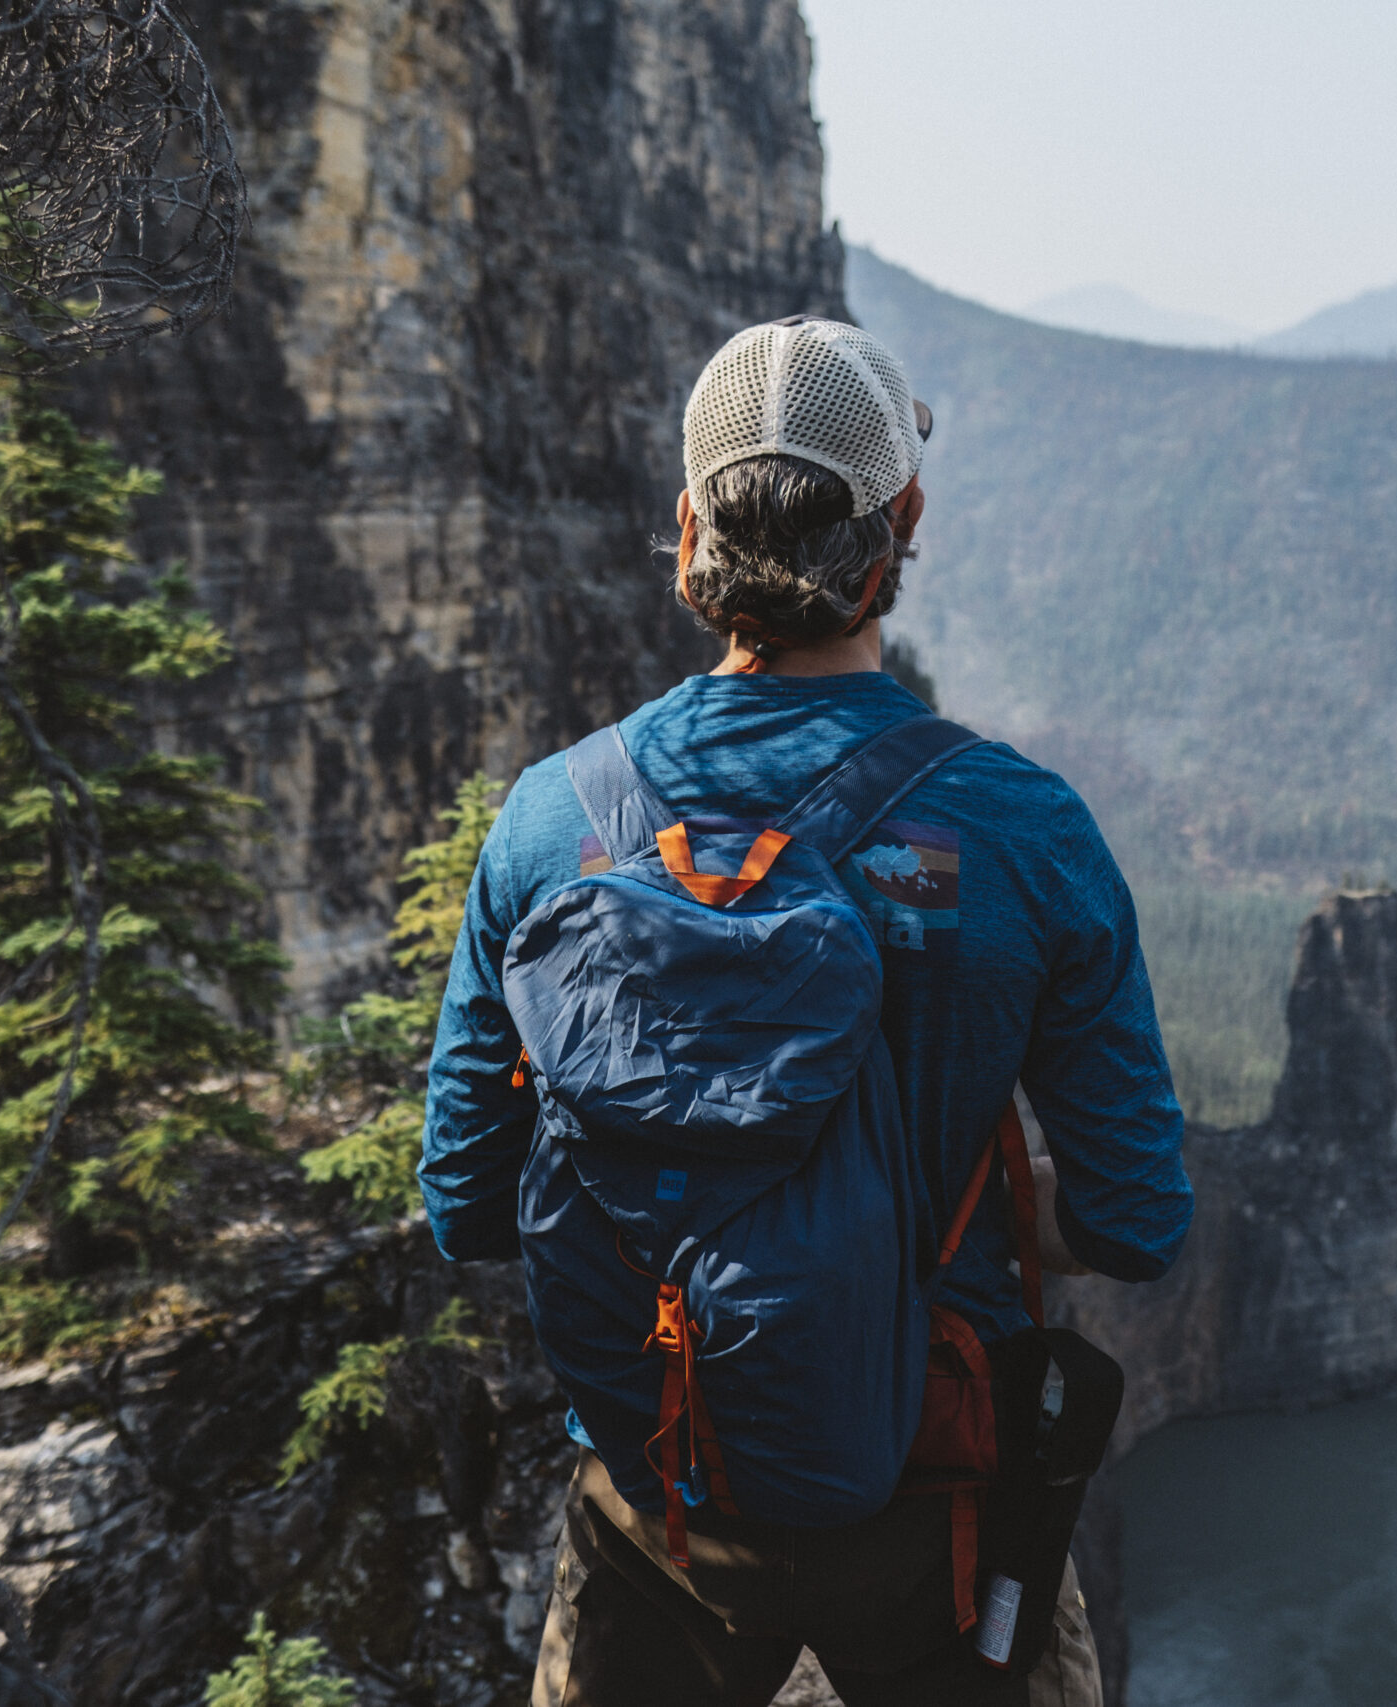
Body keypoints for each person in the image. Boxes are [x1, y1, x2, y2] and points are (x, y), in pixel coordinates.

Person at [418, 315, 1192, 1707]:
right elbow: (1139, 1220)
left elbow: (465, 1206)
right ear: (903, 522)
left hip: (659, 1495)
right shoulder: (1023, 831)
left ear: (685, 533)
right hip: (937, 1506)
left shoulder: (552, 818)